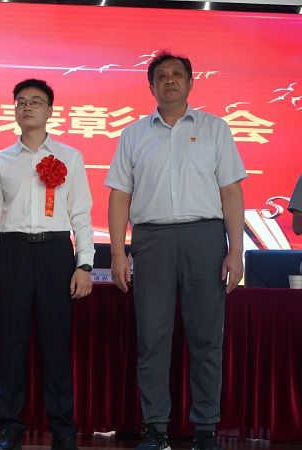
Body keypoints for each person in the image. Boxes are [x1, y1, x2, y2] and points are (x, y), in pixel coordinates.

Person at [105, 51, 246, 450]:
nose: (169, 80)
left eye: (177, 74)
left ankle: (205, 430)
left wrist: (236, 250)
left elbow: (231, 192)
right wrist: (118, 253)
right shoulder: (133, 134)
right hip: (151, 242)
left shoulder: (215, 129)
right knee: (152, 338)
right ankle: (155, 429)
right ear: (151, 86)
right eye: (161, 75)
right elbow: (120, 196)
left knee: (206, 337)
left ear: (190, 83)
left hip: (205, 238)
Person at [0, 79, 93, 450]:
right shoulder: (1, 160)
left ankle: (63, 428)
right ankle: (10, 427)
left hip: (55, 253)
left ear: (50, 111)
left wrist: (85, 265)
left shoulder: (70, 156)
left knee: (56, 343)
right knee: (11, 343)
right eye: (21, 102)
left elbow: (81, 214)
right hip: (13, 253)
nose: (27, 107)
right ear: (14, 109)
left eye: (36, 102)